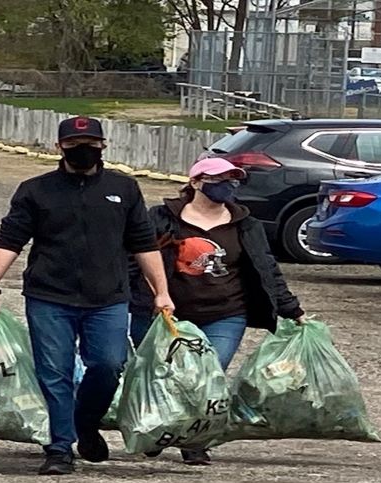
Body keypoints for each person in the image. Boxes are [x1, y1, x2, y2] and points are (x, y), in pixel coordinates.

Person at [0, 116, 173, 477]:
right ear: (59, 147)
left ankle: (85, 421)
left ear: (103, 146)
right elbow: (9, 241)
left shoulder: (124, 189)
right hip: (49, 296)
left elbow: (143, 243)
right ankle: (59, 447)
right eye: (74, 145)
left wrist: (161, 292)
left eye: (91, 144)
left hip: (109, 298)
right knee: (56, 373)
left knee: (108, 365)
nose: (84, 150)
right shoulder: (35, 190)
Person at [129, 157, 305, 466]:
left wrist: (292, 309)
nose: (227, 185)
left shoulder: (246, 225)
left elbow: (267, 268)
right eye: (218, 179)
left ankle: (194, 441)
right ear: (195, 182)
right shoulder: (161, 218)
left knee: (207, 377)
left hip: (224, 313)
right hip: (164, 314)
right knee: (163, 376)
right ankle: (160, 430)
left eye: (233, 180)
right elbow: (133, 257)